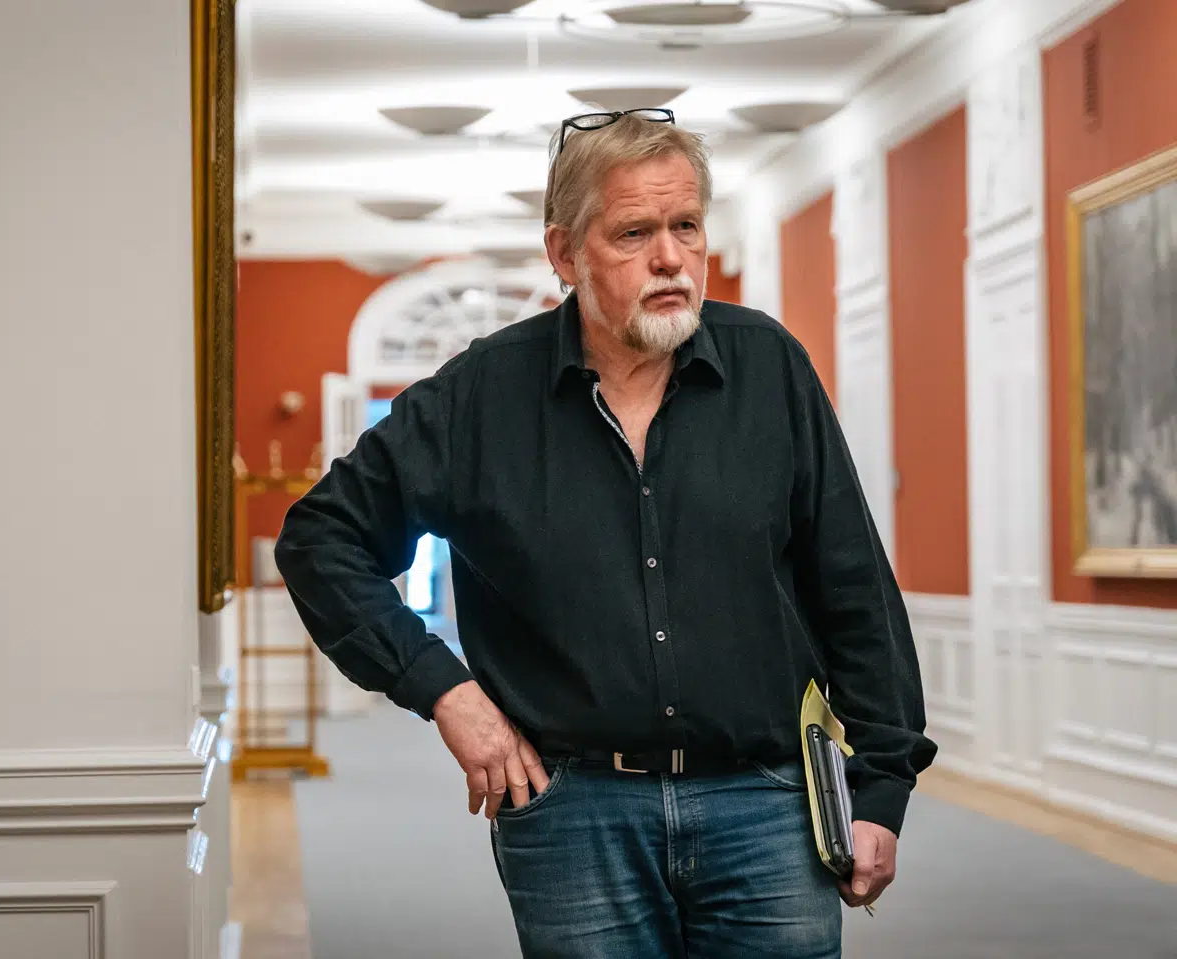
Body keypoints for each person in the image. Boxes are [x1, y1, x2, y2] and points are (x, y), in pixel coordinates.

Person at [274, 108, 935, 958]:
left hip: (767, 805)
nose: (671, 258)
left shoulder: (769, 367)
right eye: (634, 233)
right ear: (564, 254)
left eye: (686, 226)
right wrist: (448, 692)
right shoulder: (482, 396)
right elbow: (320, 538)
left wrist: (881, 788)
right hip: (572, 812)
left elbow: (853, 584)